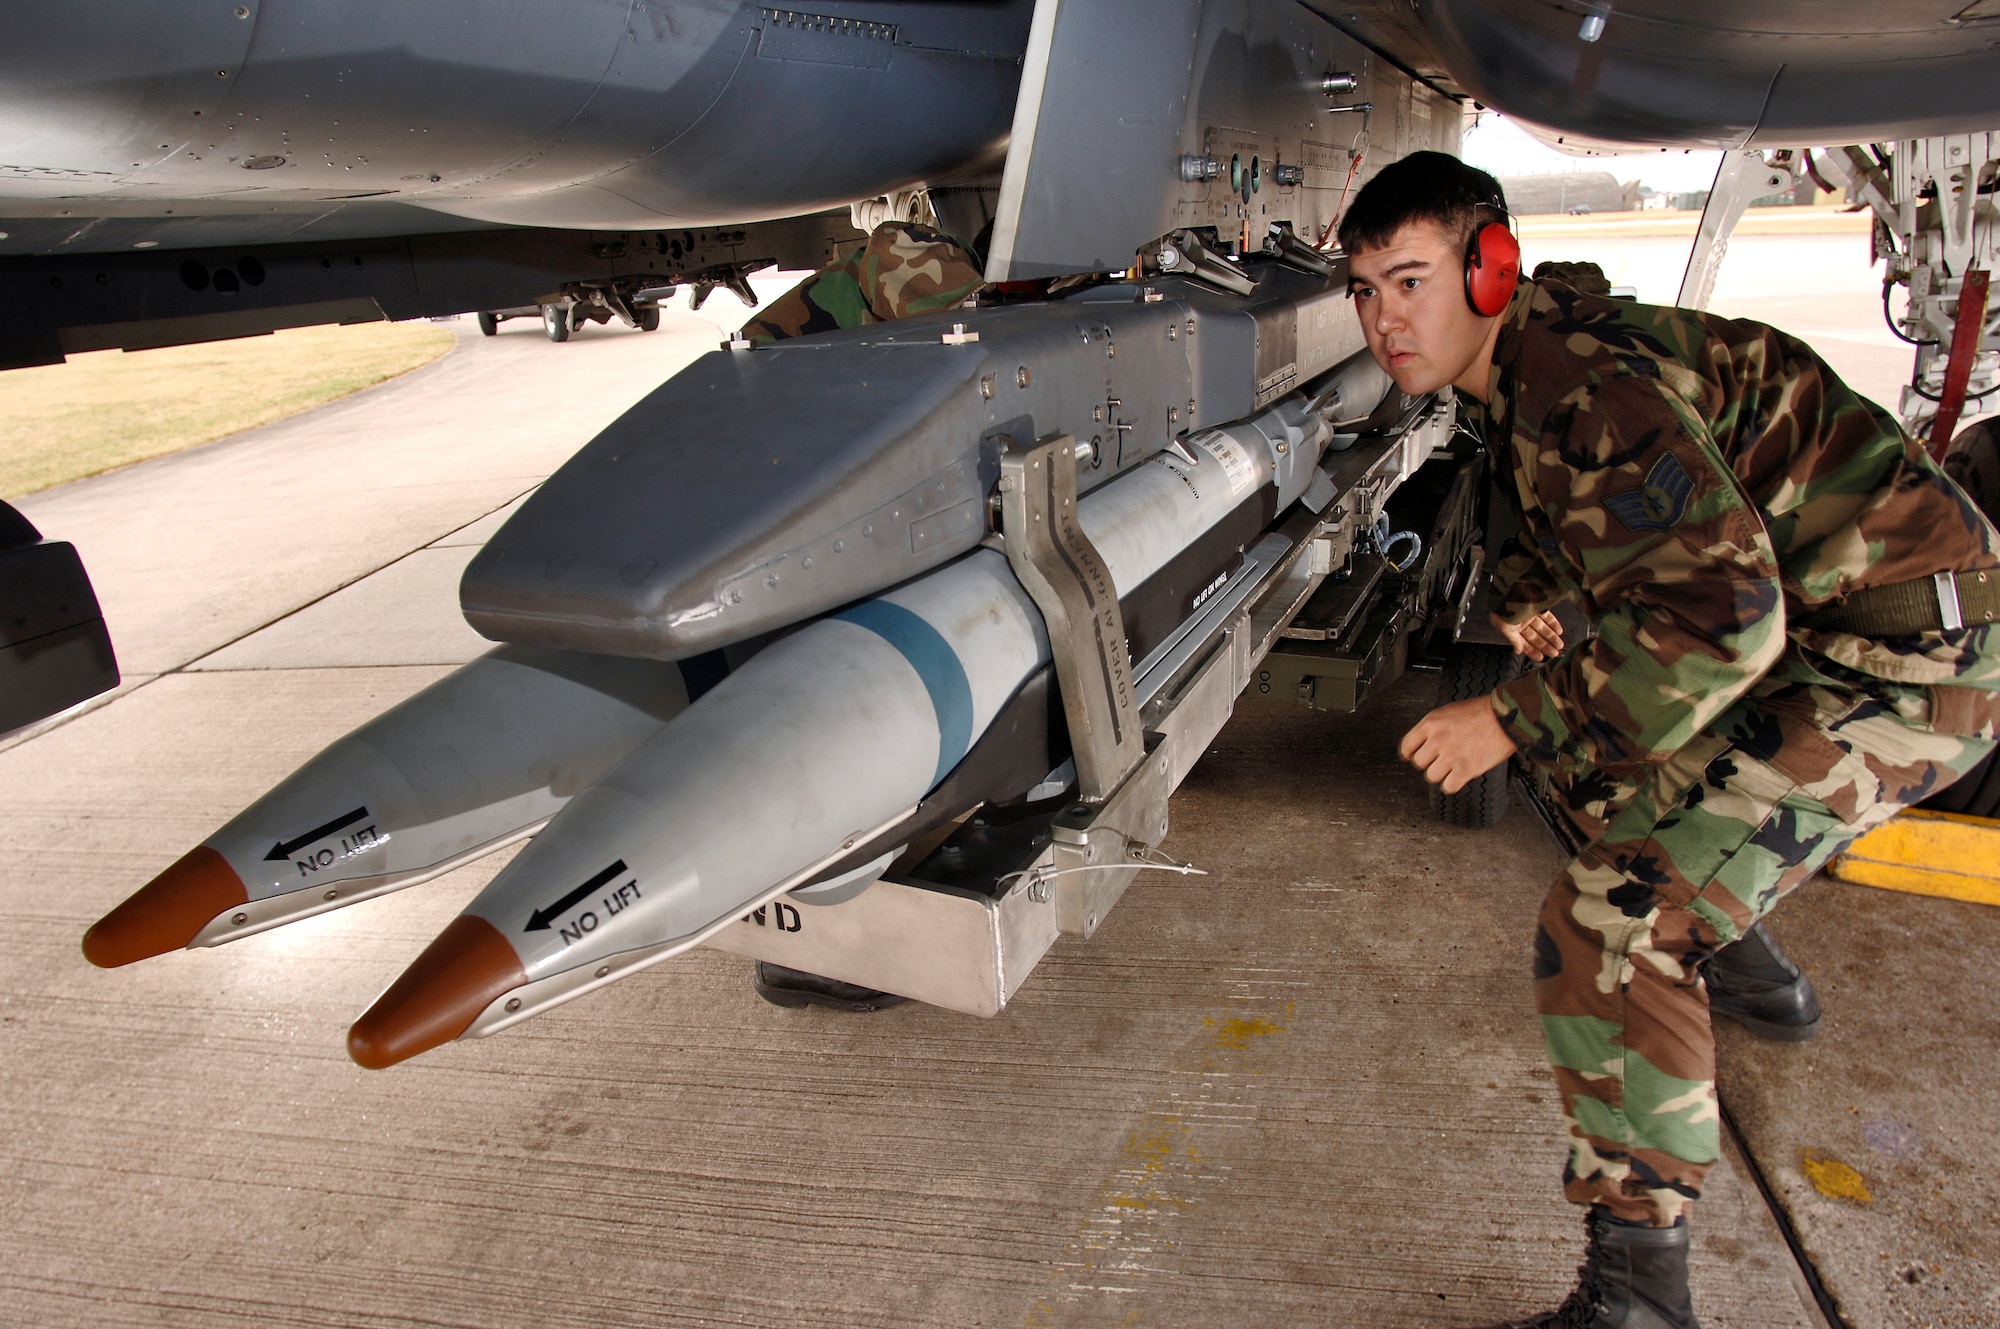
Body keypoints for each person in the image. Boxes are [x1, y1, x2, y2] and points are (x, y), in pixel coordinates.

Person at [1342, 151, 2000, 1328]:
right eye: (1364, 292)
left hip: (1910, 669)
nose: (1384, 320)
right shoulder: (1530, 381)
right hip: (1834, 632)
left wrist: (1504, 714)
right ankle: (1745, 963)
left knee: (1609, 920)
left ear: (1491, 269)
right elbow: (1629, 576)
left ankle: (1637, 1299)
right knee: (1589, 752)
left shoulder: (1585, 391)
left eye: (1409, 280)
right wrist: (1538, 643)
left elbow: (1723, 622)